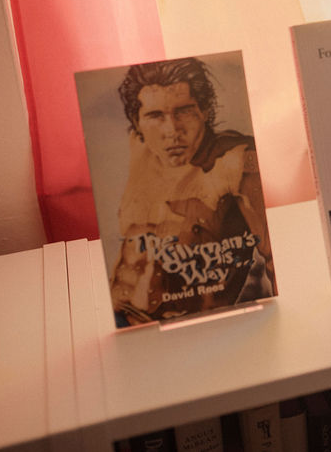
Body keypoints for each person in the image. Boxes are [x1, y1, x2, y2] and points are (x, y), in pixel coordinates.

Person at [109, 57, 276, 326]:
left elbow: (274, 262)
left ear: (205, 111)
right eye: (155, 116)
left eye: (184, 111)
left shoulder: (235, 162)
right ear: (136, 121)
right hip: (121, 320)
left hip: (193, 328)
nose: (171, 130)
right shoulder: (141, 148)